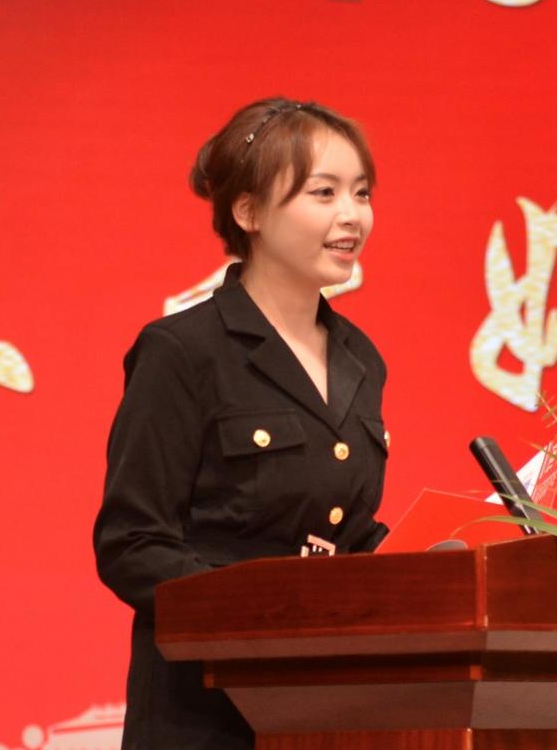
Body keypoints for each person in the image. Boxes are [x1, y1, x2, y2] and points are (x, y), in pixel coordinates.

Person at [93, 97, 391, 750]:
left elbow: (348, 534)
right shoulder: (183, 350)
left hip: (326, 710)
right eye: (323, 192)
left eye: (361, 192)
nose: (352, 215)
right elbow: (132, 543)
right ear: (248, 212)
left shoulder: (360, 358)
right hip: (204, 712)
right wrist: (263, 613)